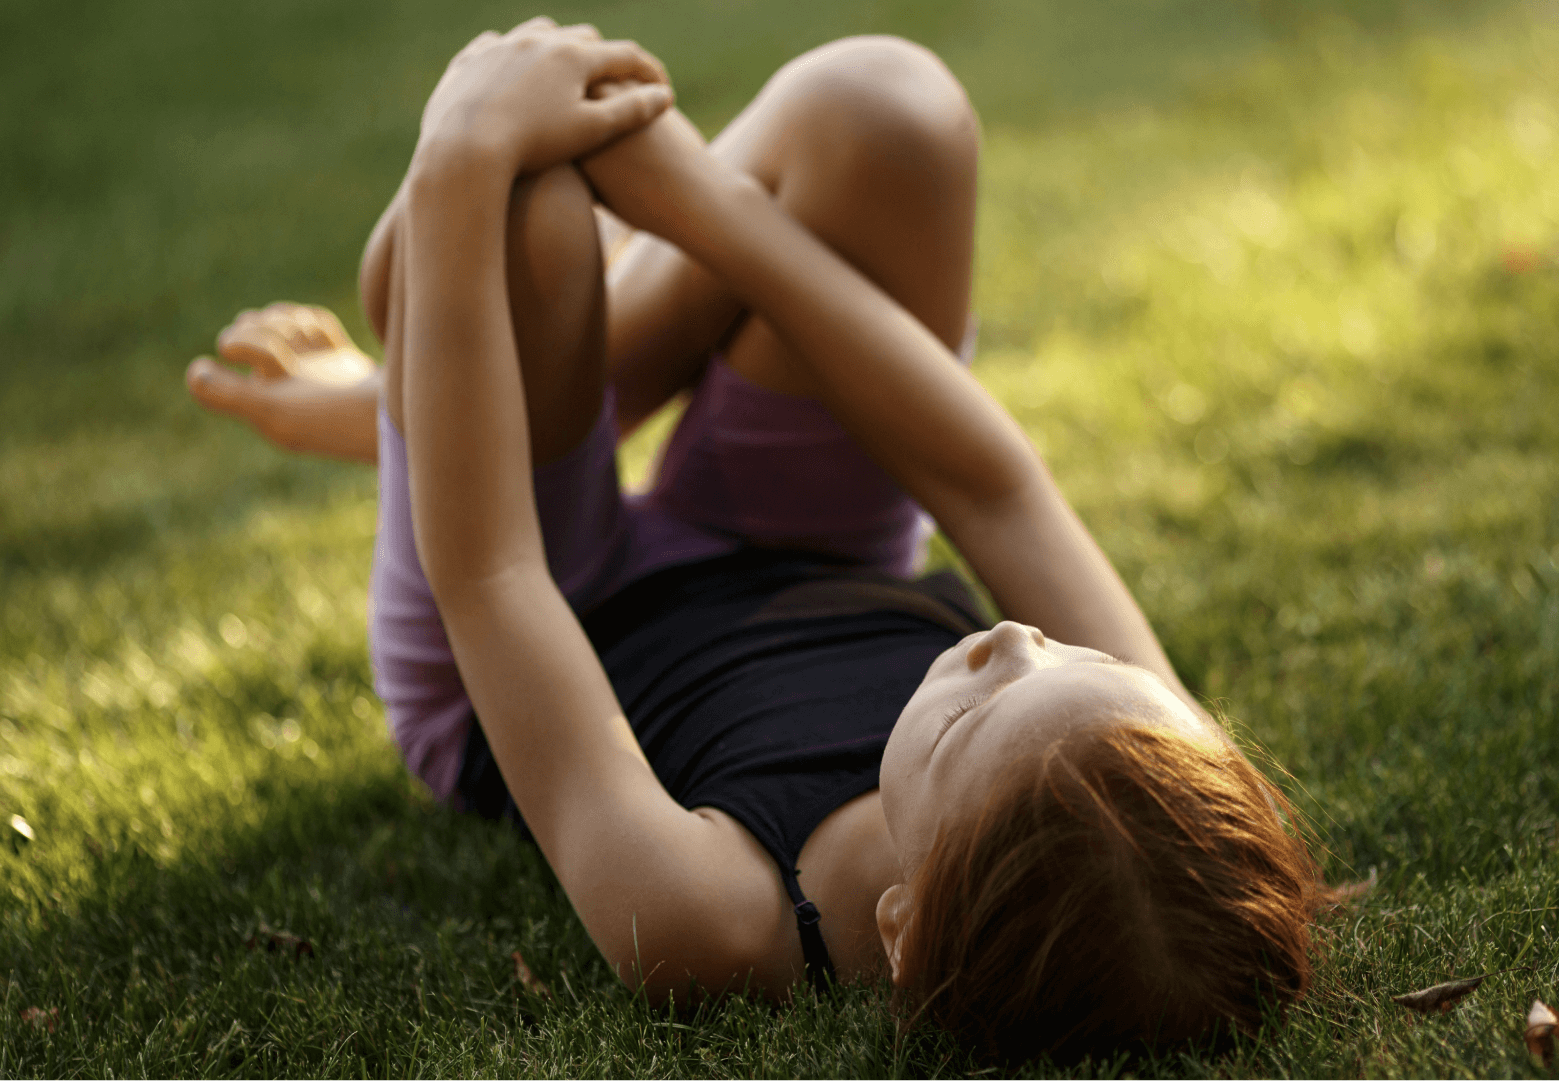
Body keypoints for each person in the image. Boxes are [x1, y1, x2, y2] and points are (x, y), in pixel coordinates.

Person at [186, 22, 1318, 1061]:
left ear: (903, 924)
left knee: (523, 214)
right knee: (889, 112)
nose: (1020, 632)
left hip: (549, 609)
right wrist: (694, 197)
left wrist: (461, 152)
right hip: (802, 551)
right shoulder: (1159, 789)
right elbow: (992, 486)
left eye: (983, 692)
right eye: (1089, 659)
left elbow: (490, 576)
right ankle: (438, 388)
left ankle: (424, 402)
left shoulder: (712, 922)